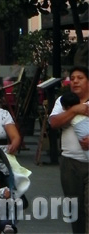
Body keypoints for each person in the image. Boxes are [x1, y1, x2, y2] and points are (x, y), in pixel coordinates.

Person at [49, 65, 89, 234]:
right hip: (69, 163)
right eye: (72, 79)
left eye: (80, 78)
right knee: (75, 209)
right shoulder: (63, 101)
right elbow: (54, 123)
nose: (75, 81)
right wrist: (74, 110)